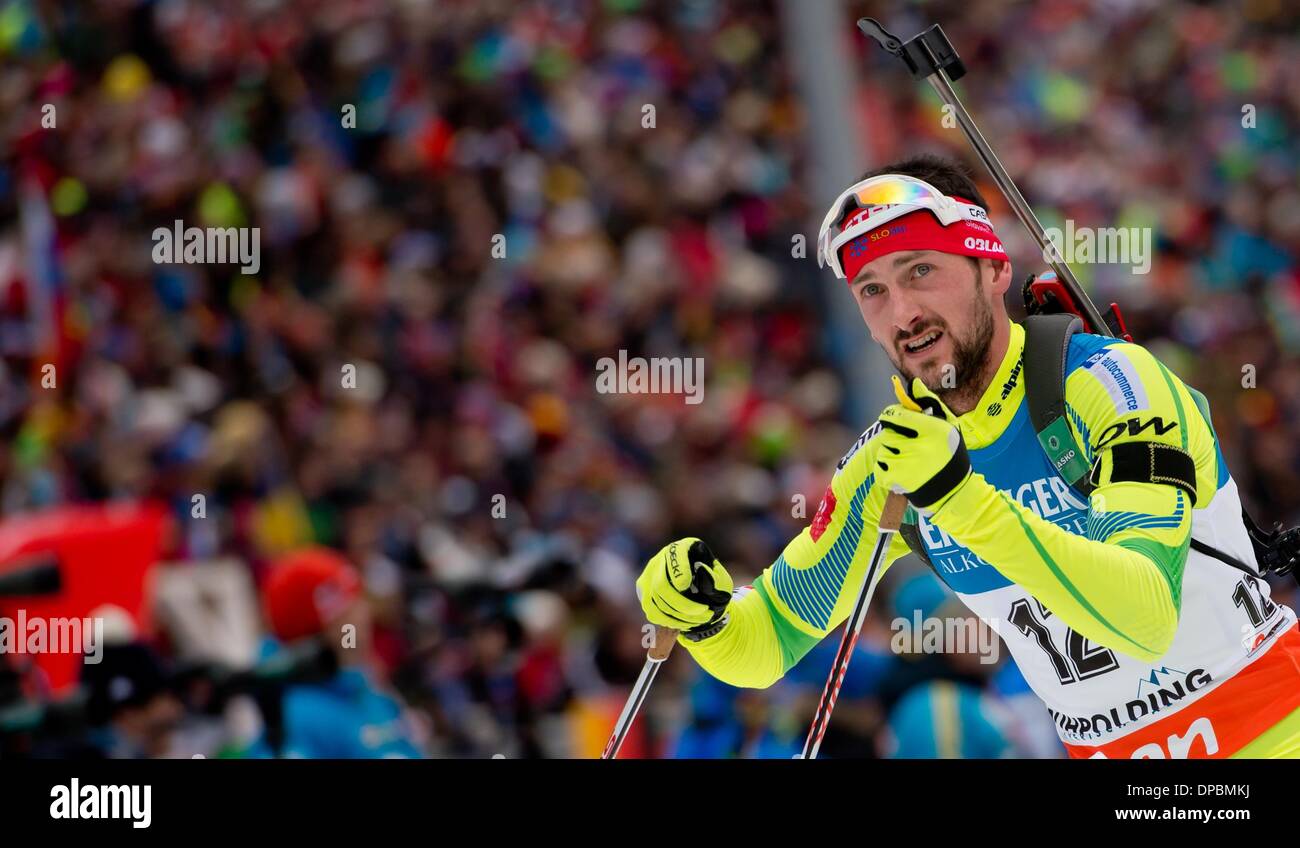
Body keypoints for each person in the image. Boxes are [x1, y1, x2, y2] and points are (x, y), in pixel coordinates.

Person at [636, 154, 1300, 759]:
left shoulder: (1108, 383)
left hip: (1268, 730)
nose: (903, 312)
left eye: (920, 271)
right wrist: (705, 617)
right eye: (872, 290)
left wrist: (957, 495)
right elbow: (768, 640)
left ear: (993, 269)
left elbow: (1146, 616)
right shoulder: (891, 463)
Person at [260, 547, 425, 758]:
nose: (364, 615)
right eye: (349, 612)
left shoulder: (370, 694)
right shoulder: (296, 717)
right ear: (325, 629)